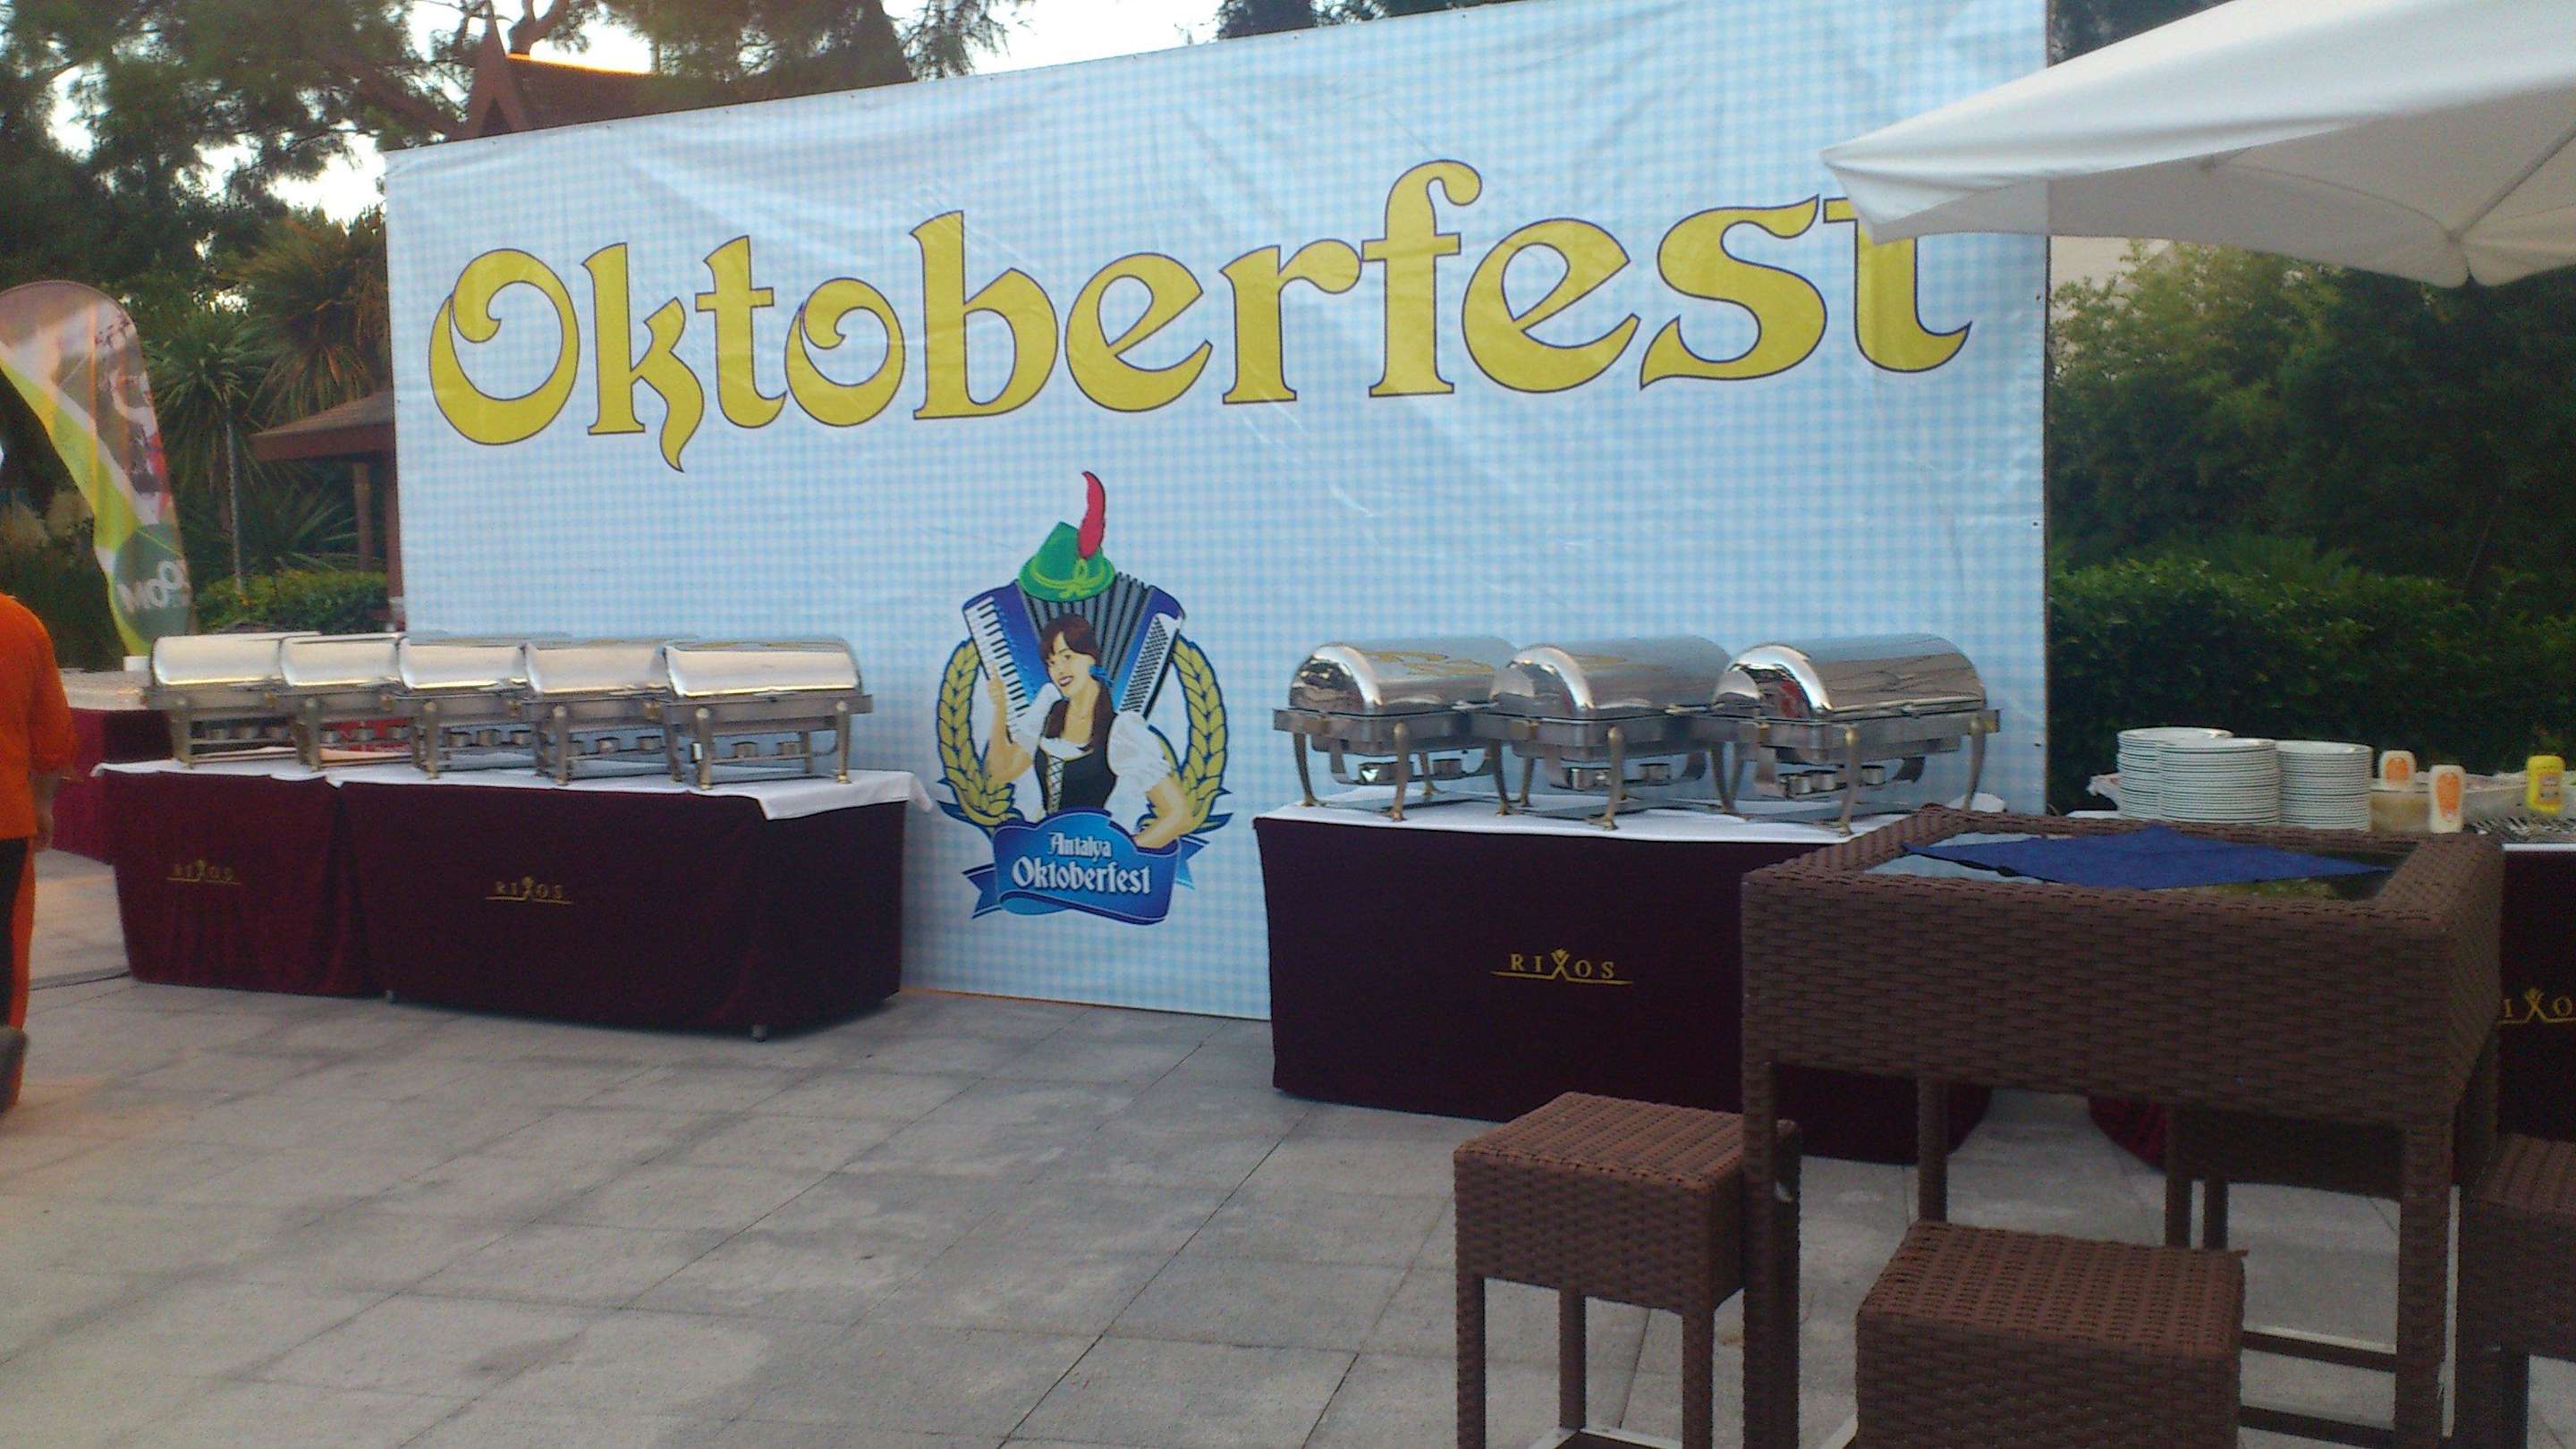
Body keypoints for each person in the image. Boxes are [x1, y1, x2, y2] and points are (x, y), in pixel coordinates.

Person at [983, 614, 1197, 849]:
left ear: (1091, 658)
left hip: (1092, 853)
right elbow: (1003, 772)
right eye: (1051, 663)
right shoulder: (1047, 710)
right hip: (1044, 851)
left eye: (1067, 657)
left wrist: (1123, 852)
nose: (1059, 670)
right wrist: (1000, 708)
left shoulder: (1121, 729)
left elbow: (1179, 816)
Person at [0, 590, 73, 1112]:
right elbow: (52, 735)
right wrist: (43, 802)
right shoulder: (20, 624)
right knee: (3, 947)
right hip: (5, 816)